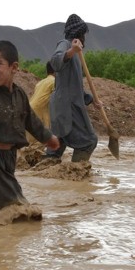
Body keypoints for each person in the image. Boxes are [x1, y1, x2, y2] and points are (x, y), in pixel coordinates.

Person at [0, 40, 60, 219]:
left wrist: (49, 138)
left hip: (9, 157)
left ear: (14, 68)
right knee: (18, 205)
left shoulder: (20, 94)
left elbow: (31, 121)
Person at [44, 14, 97, 163]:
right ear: (78, 33)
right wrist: (71, 51)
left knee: (57, 145)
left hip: (62, 105)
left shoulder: (76, 54)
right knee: (89, 141)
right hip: (66, 107)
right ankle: (76, 175)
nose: (85, 37)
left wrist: (92, 100)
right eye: (83, 34)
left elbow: (74, 86)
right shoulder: (65, 44)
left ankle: (44, 173)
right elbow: (55, 62)